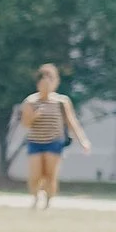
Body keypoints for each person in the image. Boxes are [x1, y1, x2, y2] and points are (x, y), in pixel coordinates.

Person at [12, 61, 90, 211]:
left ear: (56, 82)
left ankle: (48, 202)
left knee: (50, 174)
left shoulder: (61, 101)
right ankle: (35, 198)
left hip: (54, 142)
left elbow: (71, 122)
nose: (46, 84)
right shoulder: (30, 101)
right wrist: (34, 116)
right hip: (35, 141)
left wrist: (83, 141)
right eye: (43, 80)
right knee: (35, 175)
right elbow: (25, 124)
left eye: (50, 80)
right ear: (38, 83)